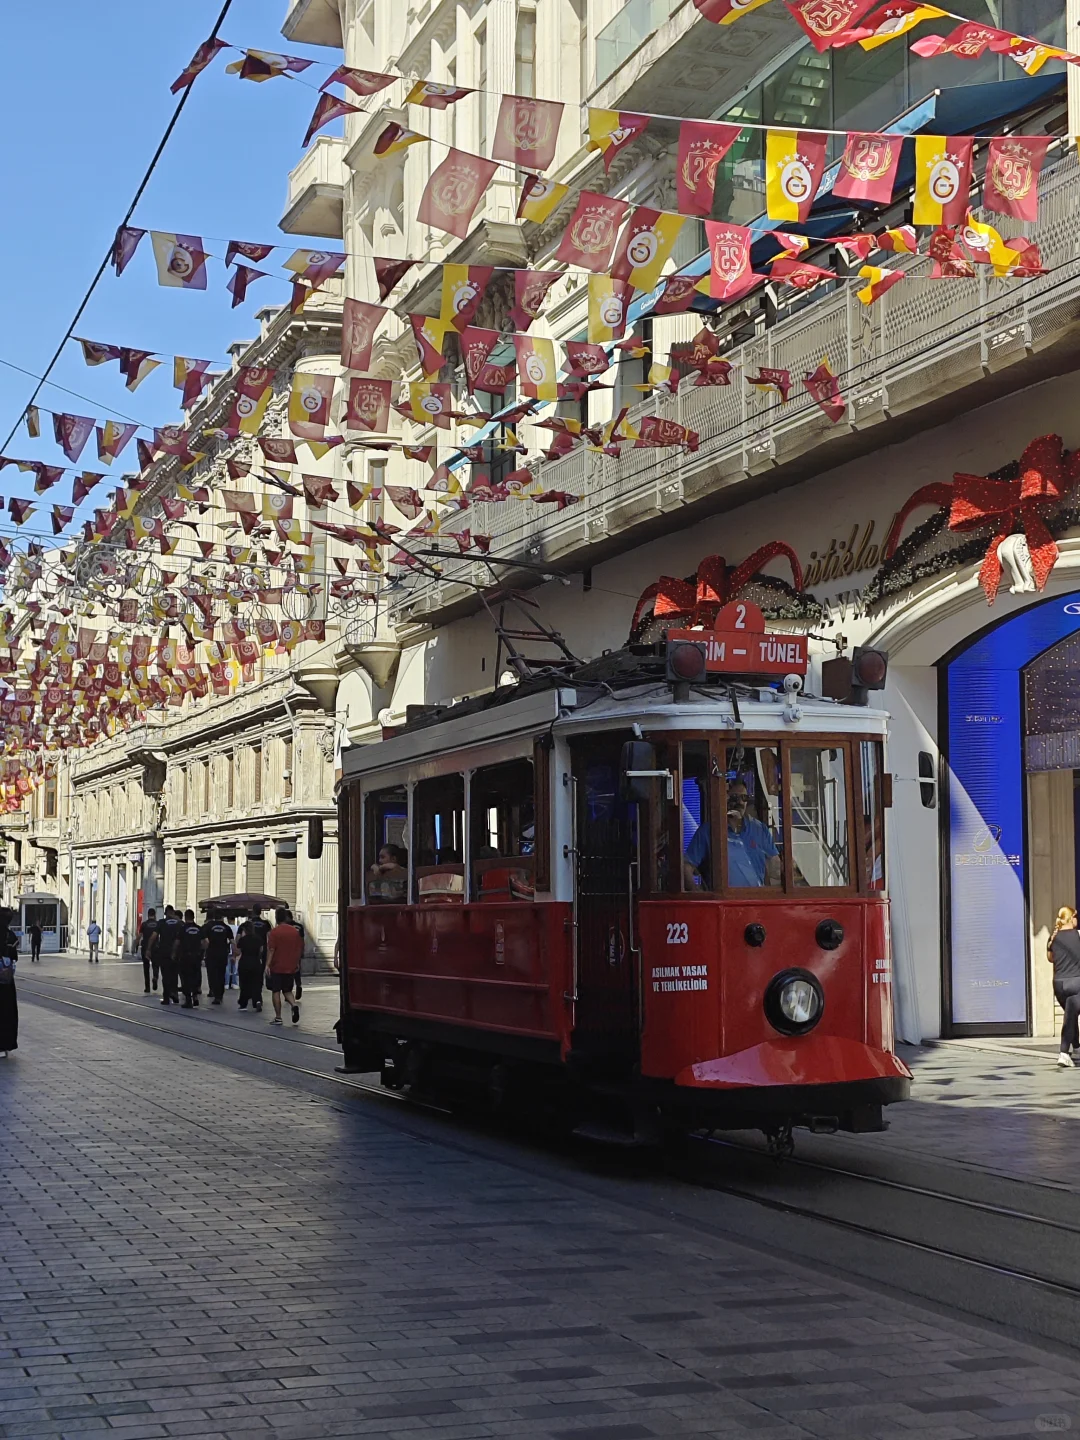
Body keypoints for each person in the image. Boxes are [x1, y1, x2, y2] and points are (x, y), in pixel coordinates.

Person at [683, 779, 781, 890]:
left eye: (744, 798)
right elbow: (686, 866)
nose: (739, 802)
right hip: (723, 902)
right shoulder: (709, 831)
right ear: (725, 799)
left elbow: (775, 868)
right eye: (735, 797)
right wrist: (697, 894)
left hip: (755, 901)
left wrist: (792, 866)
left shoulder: (759, 829)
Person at [1048, 907, 1080, 1068]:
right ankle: (1064, 1053)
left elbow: (1050, 959)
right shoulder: (1078, 935)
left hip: (1059, 983)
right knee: (1070, 1017)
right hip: (1076, 982)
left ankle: (1077, 1048)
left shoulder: (1053, 937)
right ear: (1071, 918)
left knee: (1070, 1014)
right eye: (1076, 917)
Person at [266, 907, 303, 1026]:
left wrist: (267, 965)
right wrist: (296, 963)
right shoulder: (294, 931)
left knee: (276, 991)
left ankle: (278, 1017)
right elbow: (299, 949)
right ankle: (294, 1005)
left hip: (277, 966)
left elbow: (271, 950)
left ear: (276, 918)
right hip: (290, 965)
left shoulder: (274, 932)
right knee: (287, 990)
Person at [235, 907, 268, 1011]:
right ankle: (257, 1000)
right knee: (256, 983)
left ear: (245, 930)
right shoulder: (258, 939)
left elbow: (238, 951)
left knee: (244, 983)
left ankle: (243, 1003)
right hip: (256, 962)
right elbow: (262, 950)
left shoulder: (243, 940)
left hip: (244, 962)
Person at [201, 908, 235, 1005]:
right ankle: (219, 995)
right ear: (222, 917)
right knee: (221, 974)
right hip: (223, 954)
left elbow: (205, 941)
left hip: (211, 954)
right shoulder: (226, 927)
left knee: (212, 974)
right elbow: (232, 942)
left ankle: (214, 992)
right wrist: (234, 954)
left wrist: (204, 951)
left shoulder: (208, 926)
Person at [153, 905, 183, 1004]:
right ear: (173, 913)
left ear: (165, 913)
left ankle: (166, 997)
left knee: (165, 975)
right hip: (177, 953)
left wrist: (149, 948)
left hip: (164, 952)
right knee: (174, 974)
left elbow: (154, 936)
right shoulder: (180, 923)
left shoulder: (161, 923)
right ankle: (174, 993)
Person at [178, 909, 204, 1009]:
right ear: (193, 917)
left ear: (185, 917)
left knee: (186, 978)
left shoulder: (183, 929)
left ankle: (188, 1000)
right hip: (196, 957)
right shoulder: (199, 928)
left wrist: (174, 953)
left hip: (185, 957)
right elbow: (205, 942)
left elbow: (177, 942)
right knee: (195, 977)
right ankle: (195, 996)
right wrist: (200, 952)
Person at [0, 908, 18, 1057]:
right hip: (5, 981)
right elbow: (14, 956)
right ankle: (6, 1044)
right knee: (6, 1010)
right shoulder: (10, 935)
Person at [138, 909, 158, 993]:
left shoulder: (144, 924)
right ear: (155, 914)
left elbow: (139, 936)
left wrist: (135, 944)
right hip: (156, 947)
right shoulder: (158, 924)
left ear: (148, 914)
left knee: (146, 967)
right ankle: (155, 977)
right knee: (156, 965)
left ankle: (147, 987)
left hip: (145, 948)